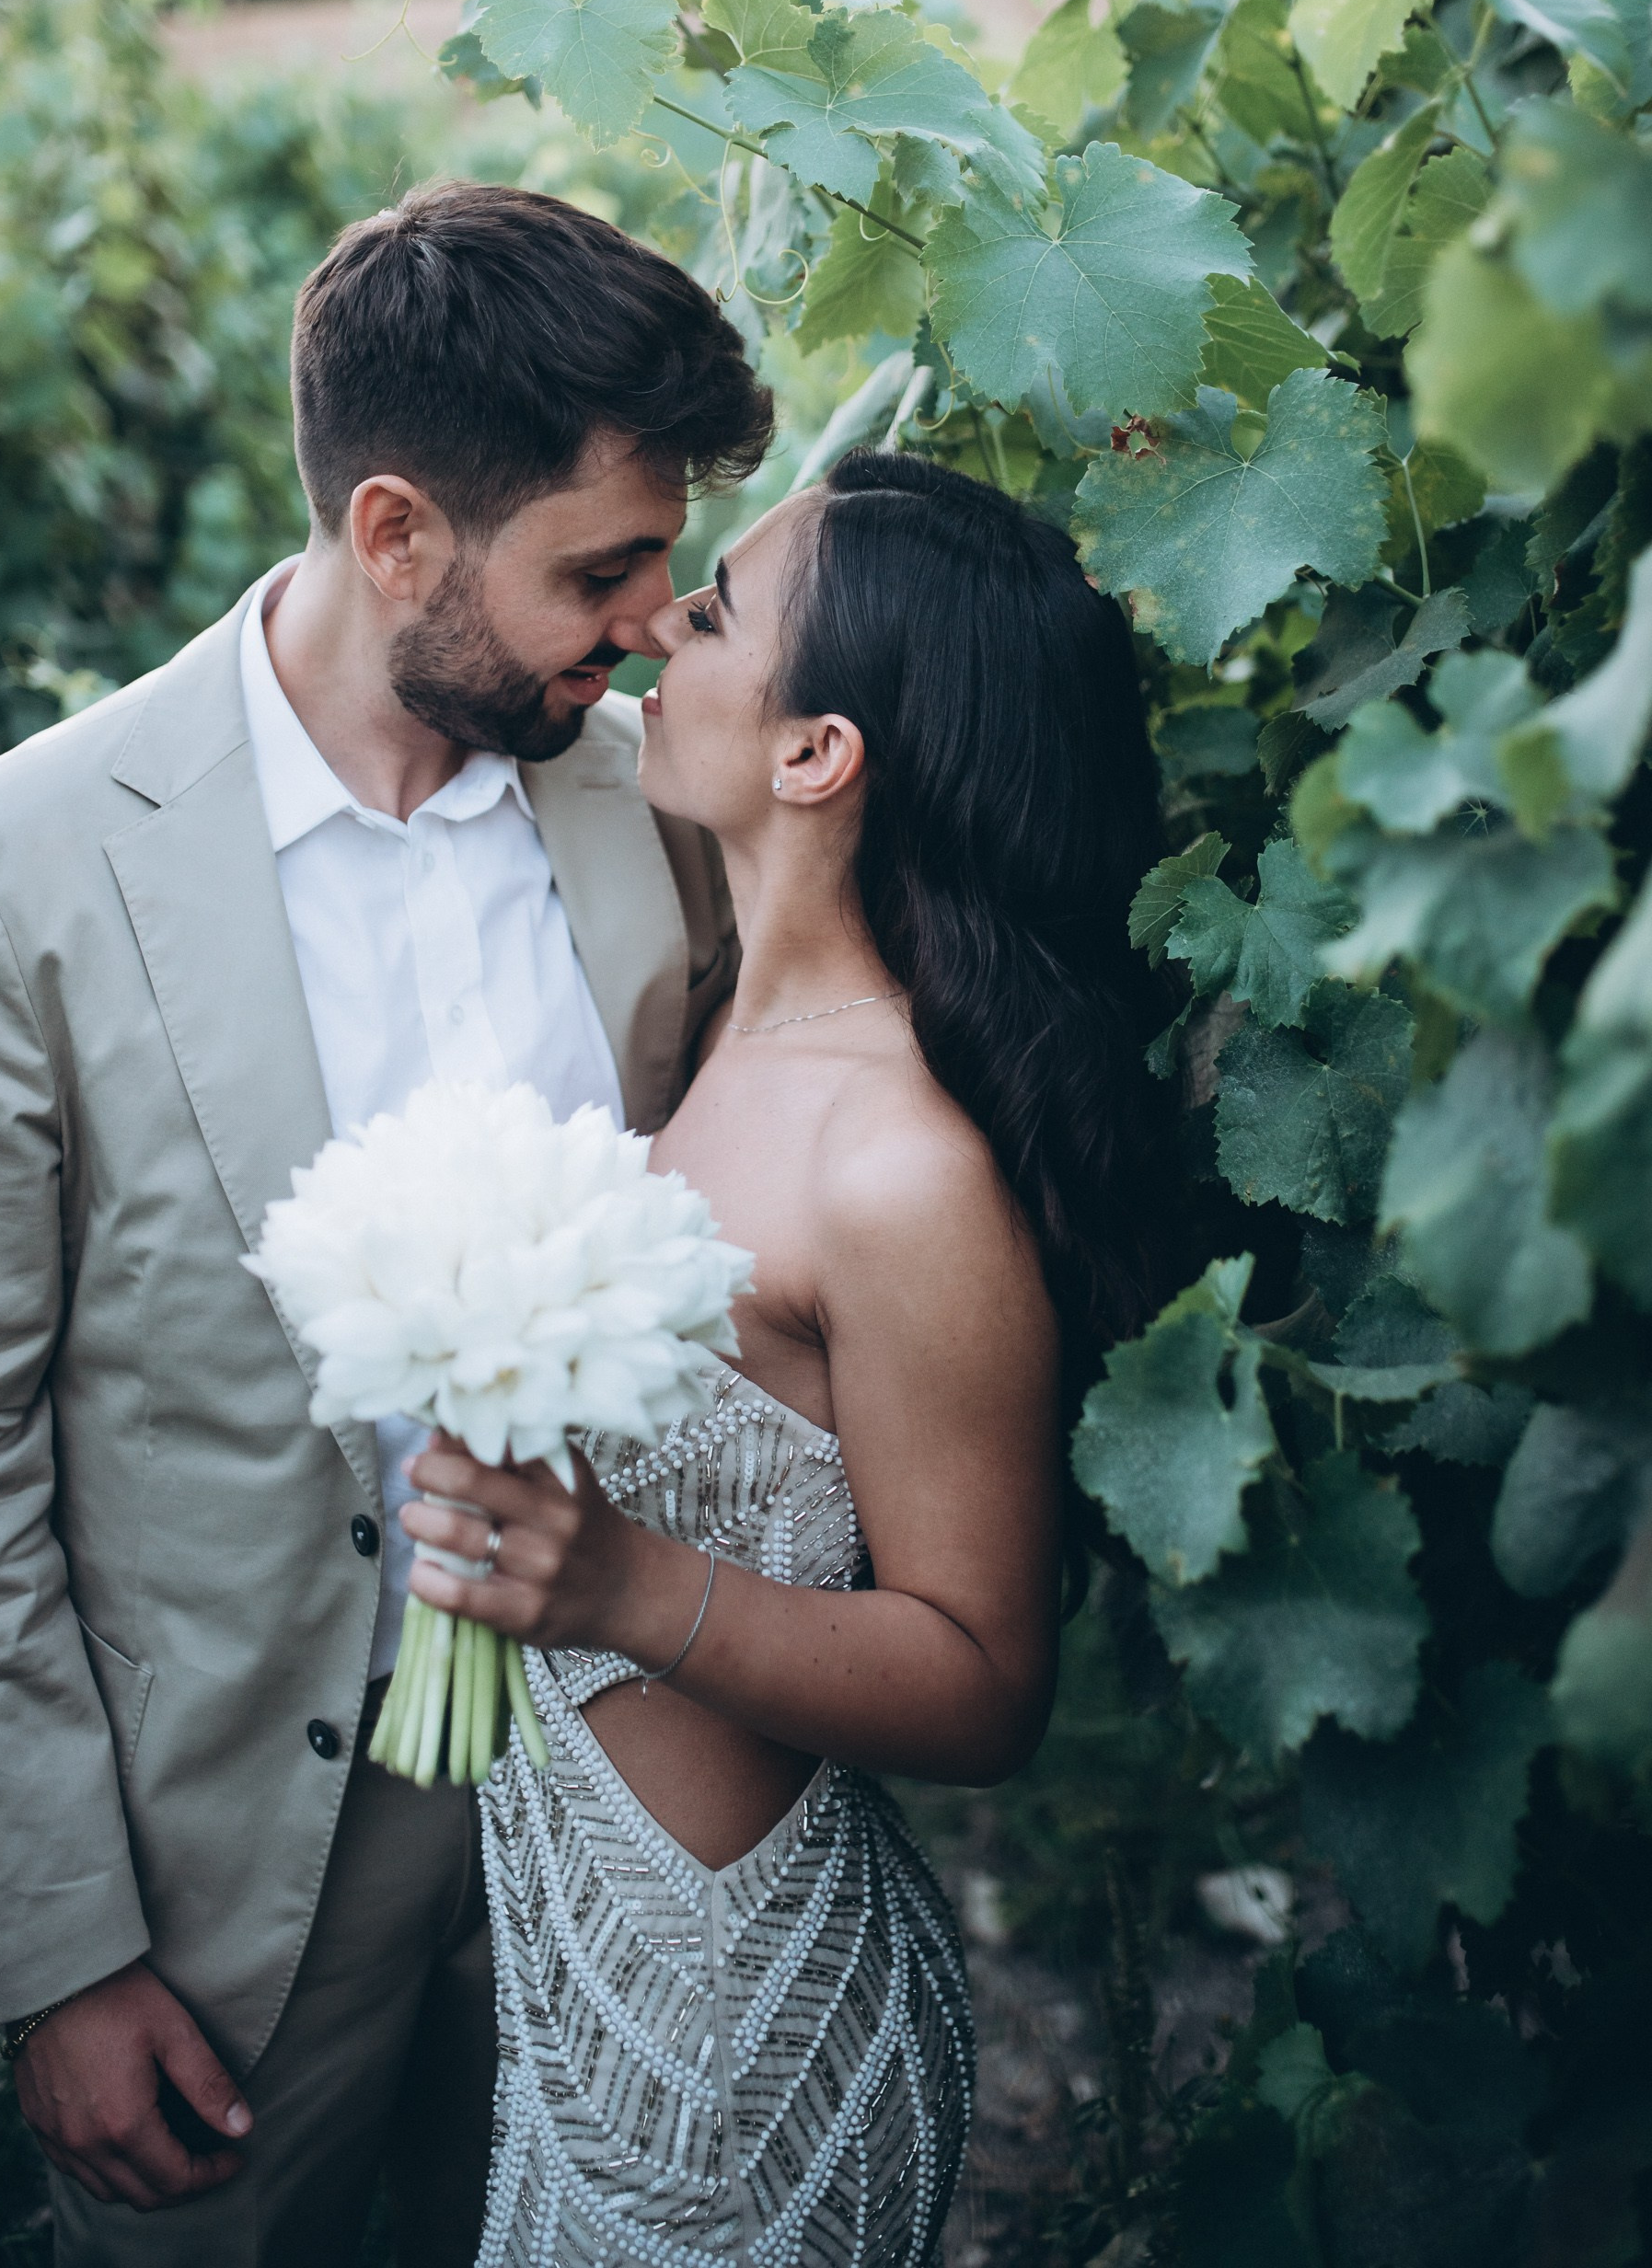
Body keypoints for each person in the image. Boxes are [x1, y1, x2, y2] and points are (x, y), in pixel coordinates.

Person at [0, 180, 772, 2264]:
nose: (655, 620)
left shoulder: (669, 813)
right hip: (224, 1884)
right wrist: (56, 1962)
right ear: (397, 536)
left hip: (635, 1788)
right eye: (603, 568)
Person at [404, 451, 1171, 2263]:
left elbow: (987, 1681)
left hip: (739, 2051)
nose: (661, 618)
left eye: (720, 606)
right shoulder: (713, 1047)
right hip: (596, 2003)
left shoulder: (896, 1165)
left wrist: (620, 1581)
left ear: (820, 753)